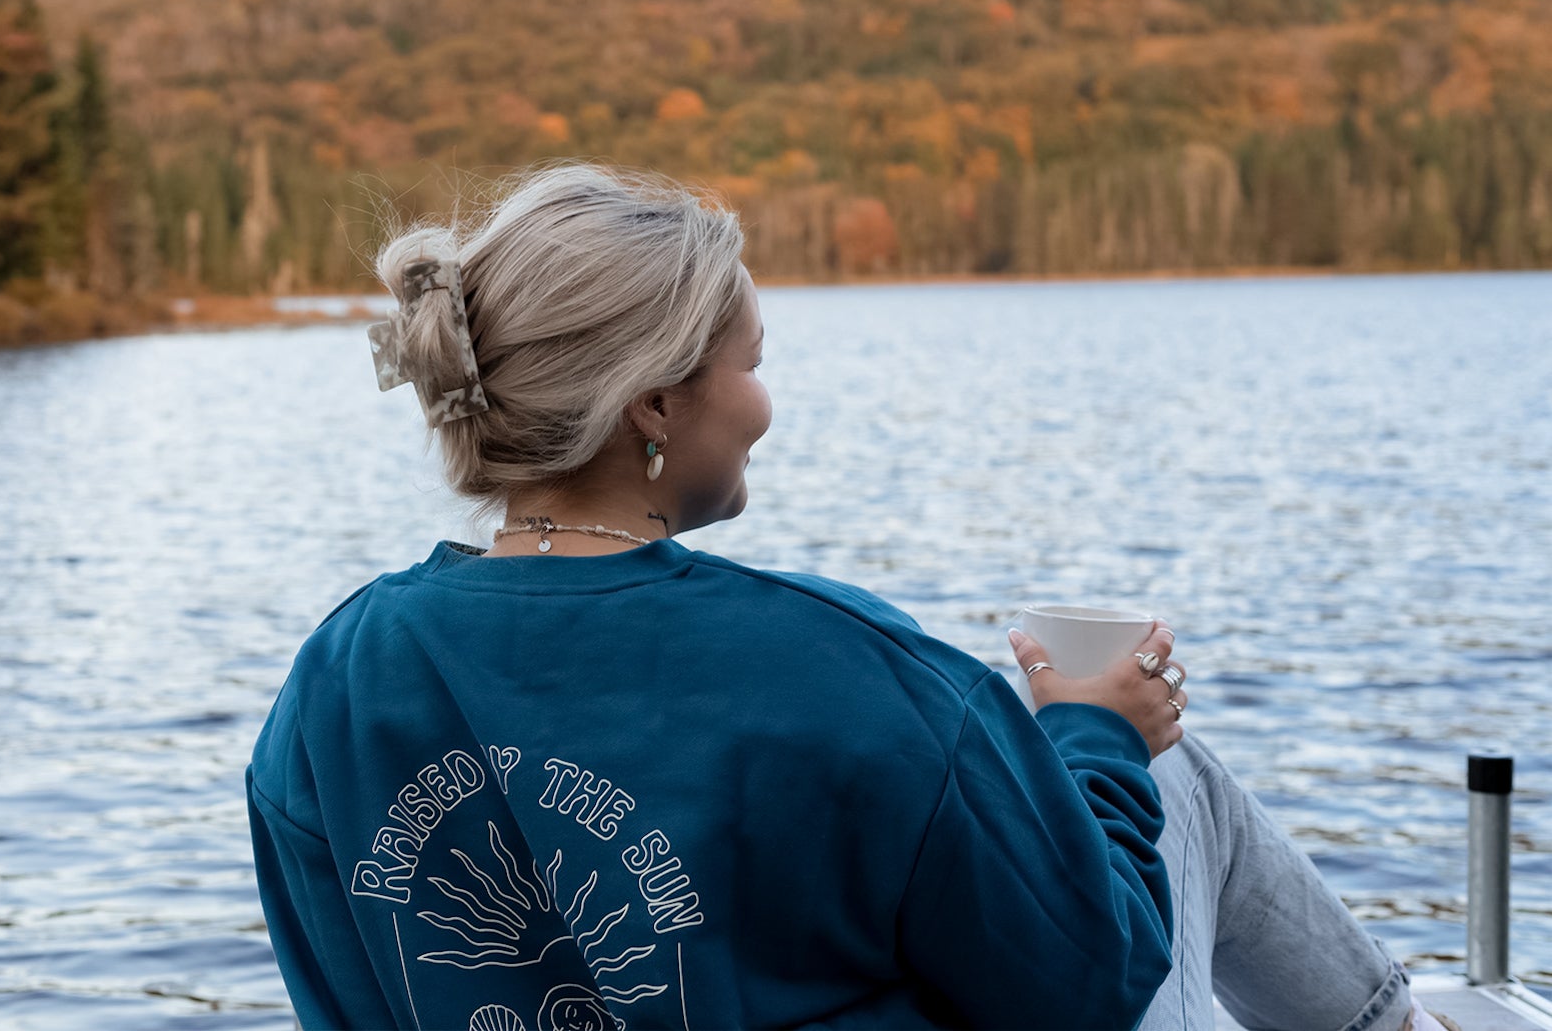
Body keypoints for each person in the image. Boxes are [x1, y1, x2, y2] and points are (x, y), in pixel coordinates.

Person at [246, 163, 1433, 1030]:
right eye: (749, 363)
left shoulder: (331, 687)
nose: (763, 402)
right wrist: (1092, 739)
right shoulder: (843, 667)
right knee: (1155, 767)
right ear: (653, 403)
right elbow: (1086, 978)